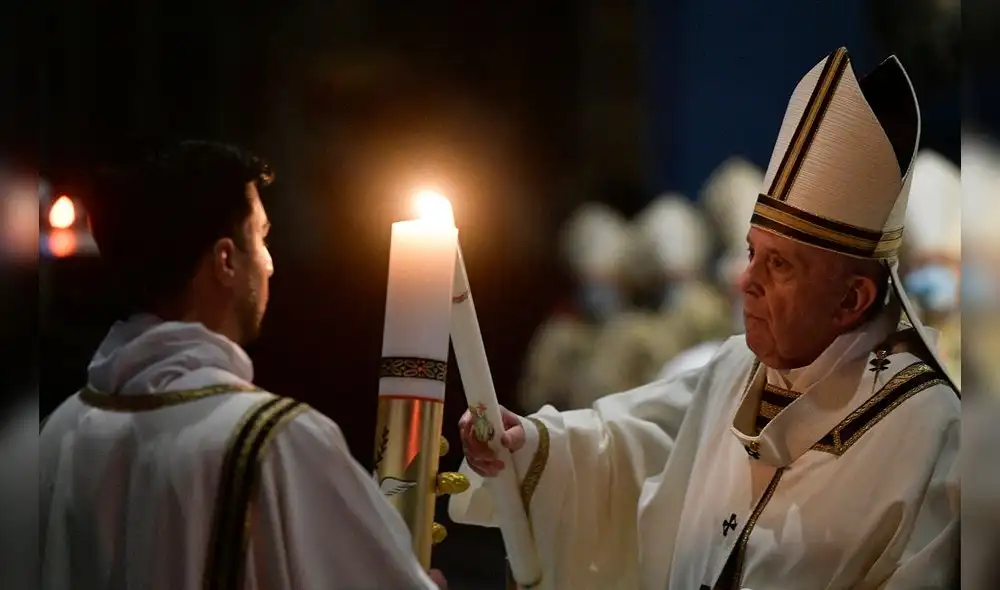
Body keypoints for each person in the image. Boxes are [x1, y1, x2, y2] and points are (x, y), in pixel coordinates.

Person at [451, 48, 959, 589]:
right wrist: (526, 446)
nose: (747, 281)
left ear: (852, 300)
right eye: (751, 254)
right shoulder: (736, 369)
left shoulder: (929, 432)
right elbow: (630, 446)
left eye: (780, 263)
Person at [39, 141, 449, 590]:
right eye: (261, 236)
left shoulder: (60, 429)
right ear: (226, 261)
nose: (270, 265)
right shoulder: (277, 440)